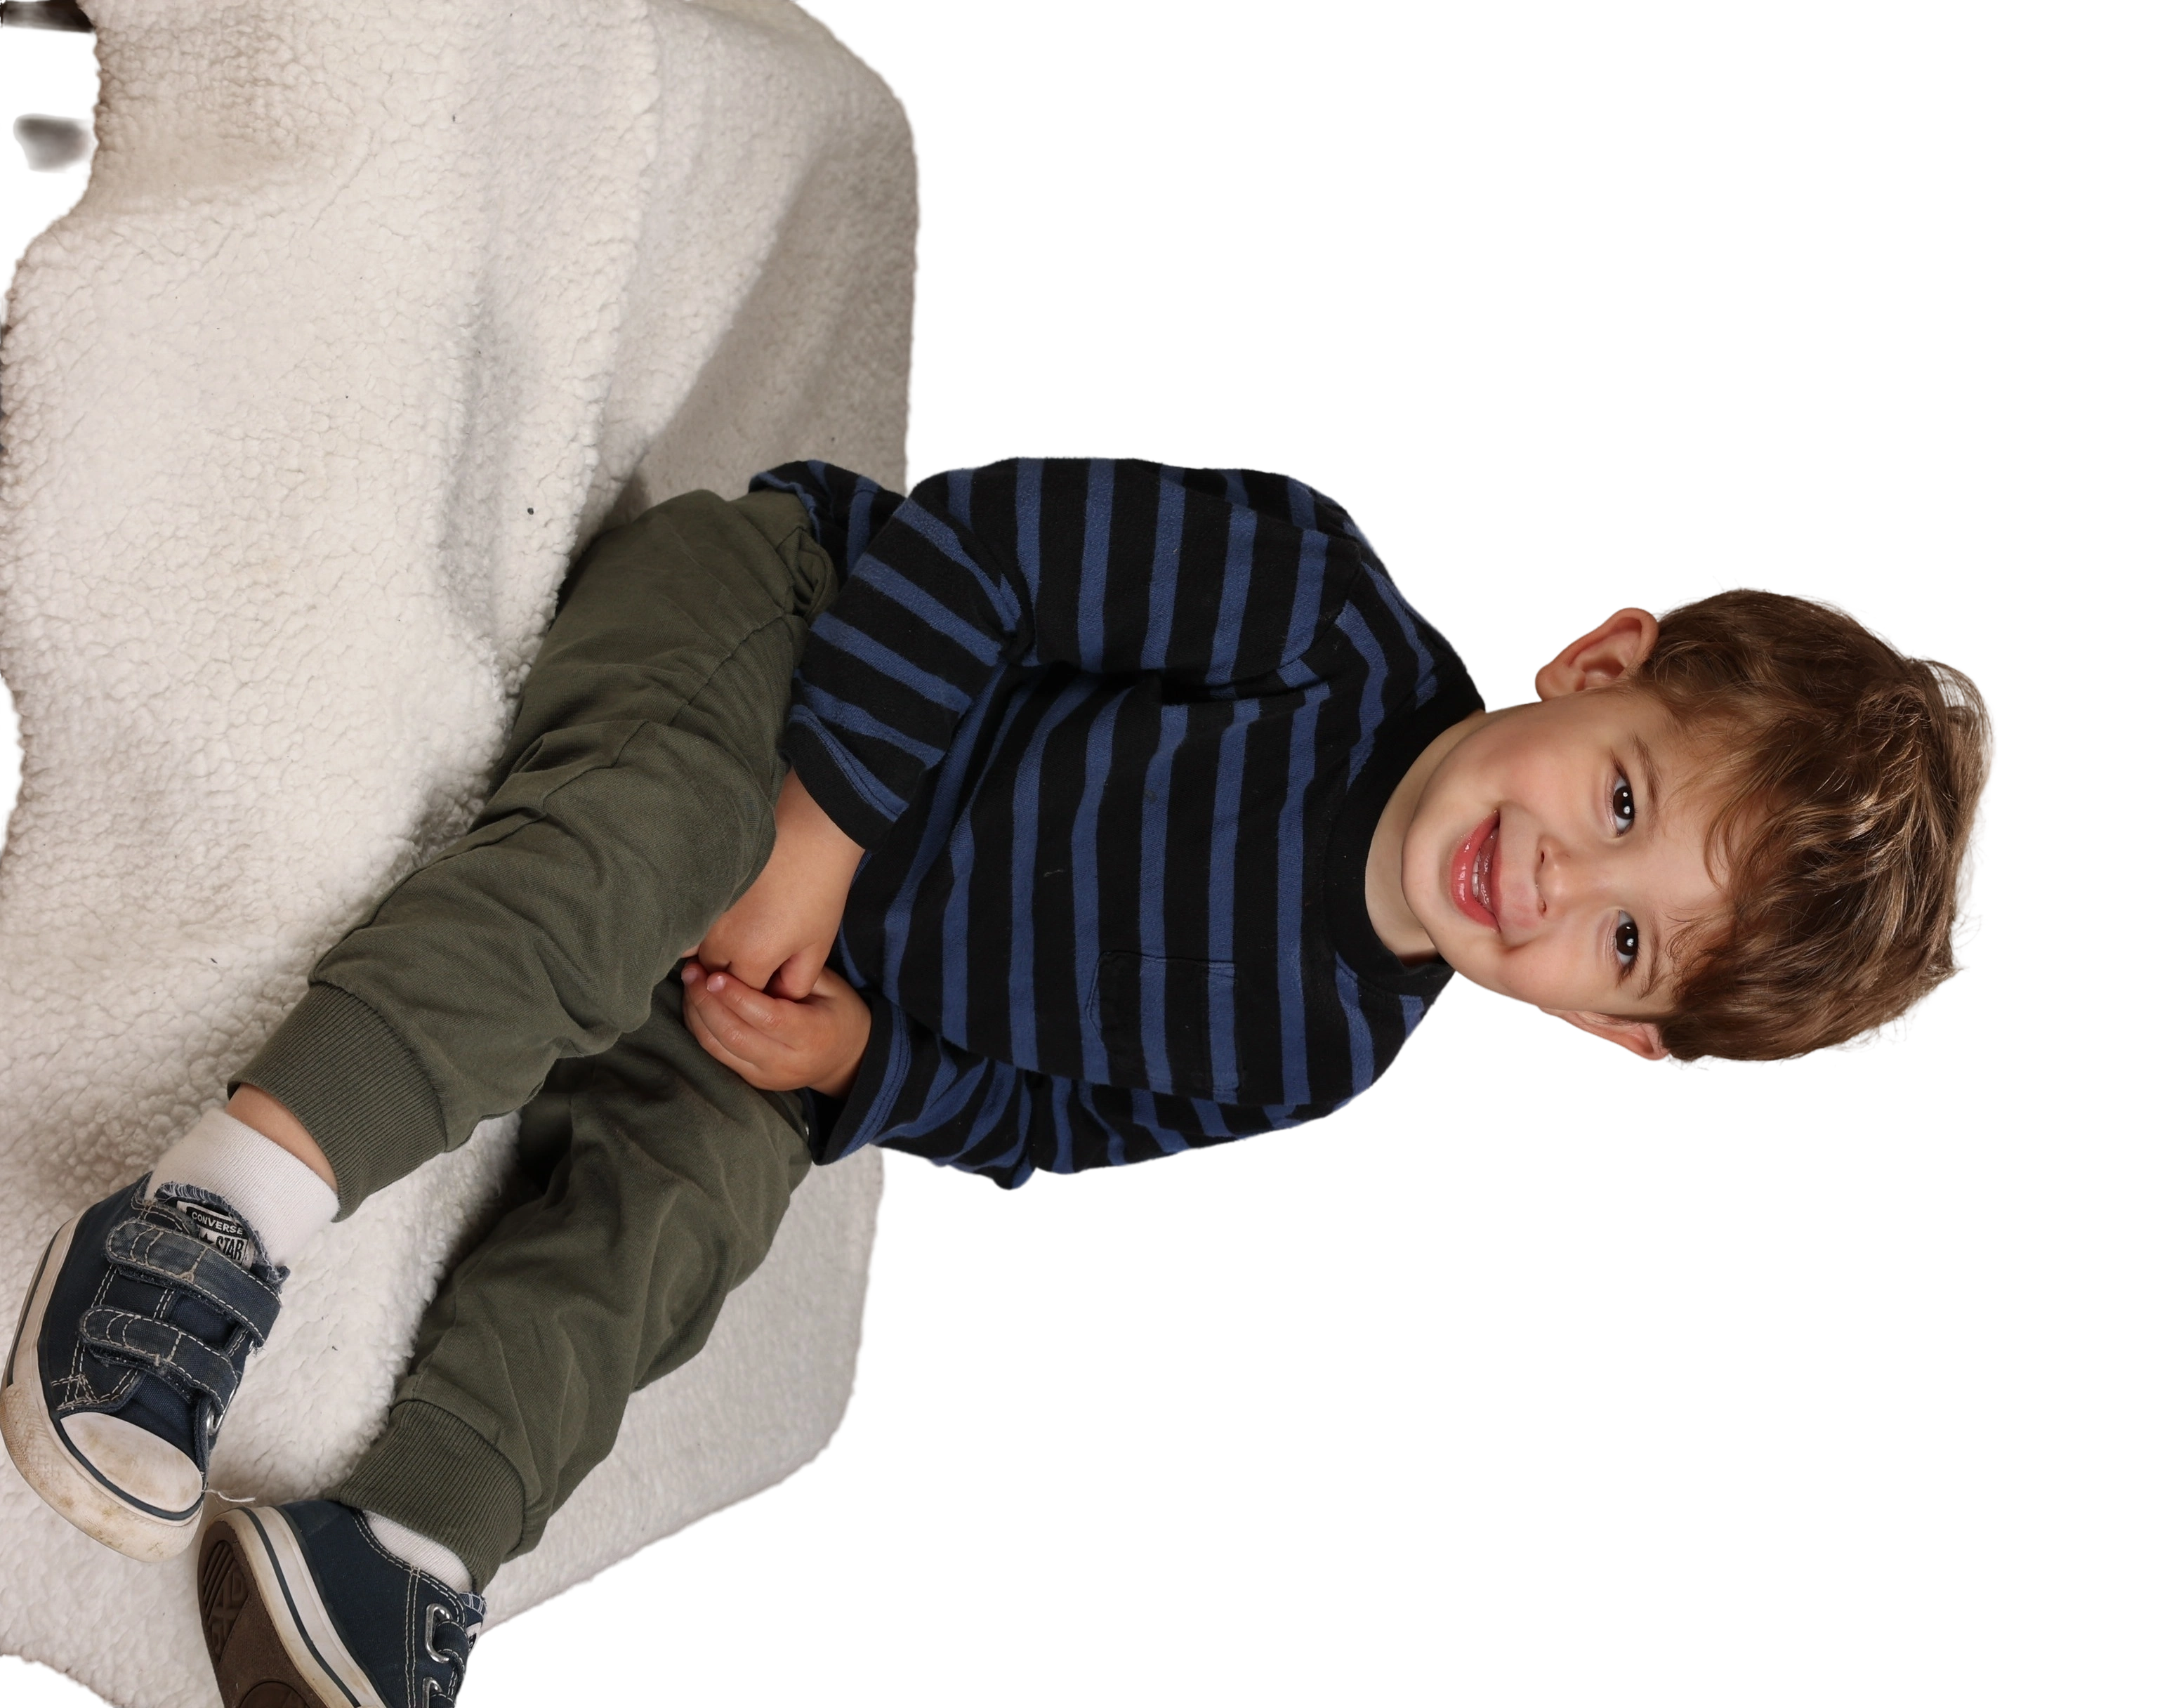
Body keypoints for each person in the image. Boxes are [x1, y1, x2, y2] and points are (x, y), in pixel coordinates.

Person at [4, 454, 1997, 1706]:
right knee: (614, 869)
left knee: (688, 1222)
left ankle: (408, 1542)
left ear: (1620, 1034)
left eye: (1627, 944)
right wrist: (817, 835)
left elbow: (1060, 1114)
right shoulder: (1316, 617)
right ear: (1602, 661)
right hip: (784, 662)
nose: (1559, 885)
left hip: (823, 985)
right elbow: (984, 552)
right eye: (1623, 802)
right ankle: (214, 1213)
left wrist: (872, 1060)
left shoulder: (1335, 1046)